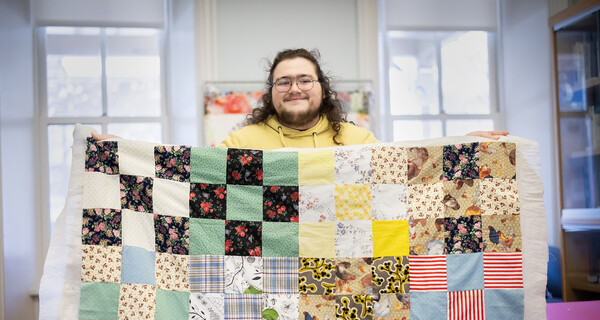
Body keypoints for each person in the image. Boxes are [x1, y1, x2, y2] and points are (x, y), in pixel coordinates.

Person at [93, 48, 508, 147]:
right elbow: (186, 179)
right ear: (271, 93)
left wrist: (463, 145)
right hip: (264, 275)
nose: (294, 87)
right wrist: (118, 154)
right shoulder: (241, 143)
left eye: (305, 80)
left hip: (345, 272)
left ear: (322, 89)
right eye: (283, 81)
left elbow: (406, 174)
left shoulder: (358, 141)